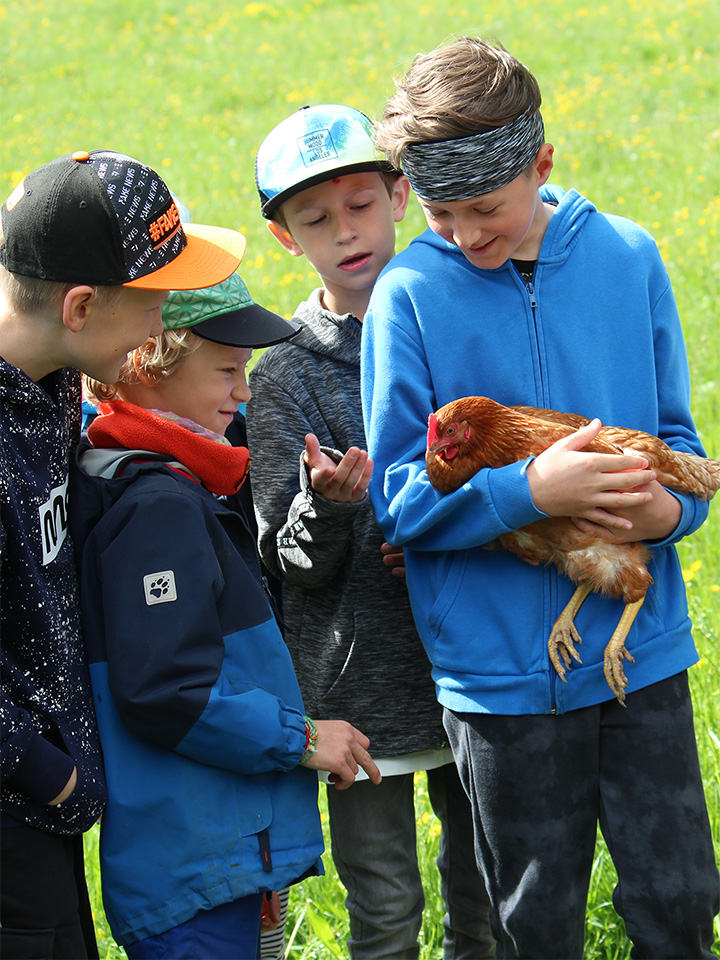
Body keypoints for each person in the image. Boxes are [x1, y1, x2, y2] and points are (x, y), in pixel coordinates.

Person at [360, 36, 720, 959]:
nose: (465, 235)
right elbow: (400, 500)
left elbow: (681, 451)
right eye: (440, 214)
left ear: (543, 164)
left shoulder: (628, 259)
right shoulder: (407, 297)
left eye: (485, 207)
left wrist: (665, 514)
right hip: (498, 681)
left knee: (679, 903)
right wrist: (529, 489)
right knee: (533, 919)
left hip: (641, 660)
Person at [71, 271, 381, 960]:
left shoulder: (167, 483)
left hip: (221, 854)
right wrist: (301, 739)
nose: (244, 392)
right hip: (199, 871)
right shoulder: (157, 508)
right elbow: (167, 690)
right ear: (145, 364)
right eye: (226, 371)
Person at [249, 103, 494, 959]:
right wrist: (332, 506)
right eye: (315, 220)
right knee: (384, 909)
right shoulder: (280, 376)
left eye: (360, 205)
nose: (344, 233)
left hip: (473, 662)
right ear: (286, 239)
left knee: (486, 892)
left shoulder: (454, 319)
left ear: (399, 195)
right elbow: (287, 559)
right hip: (356, 693)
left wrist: (435, 529)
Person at [0, 148, 246, 960]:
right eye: (151, 304)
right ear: (78, 305)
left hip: (47, 811)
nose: (160, 325)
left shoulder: (51, 383)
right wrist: (46, 770)